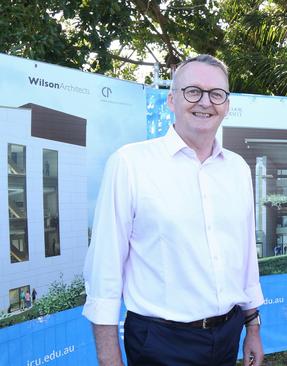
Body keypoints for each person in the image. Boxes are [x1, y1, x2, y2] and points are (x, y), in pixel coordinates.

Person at [83, 54, 264, 366]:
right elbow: (104, 270)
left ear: (227, 104)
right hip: (159, 344)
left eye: (216, 93)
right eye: (193, 91)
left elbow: (245, 255)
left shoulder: (237, 168)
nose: (205, 102)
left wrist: (252, 326)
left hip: (227, 337)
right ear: (171, 100)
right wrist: (109, 359)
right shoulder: (130, 164)